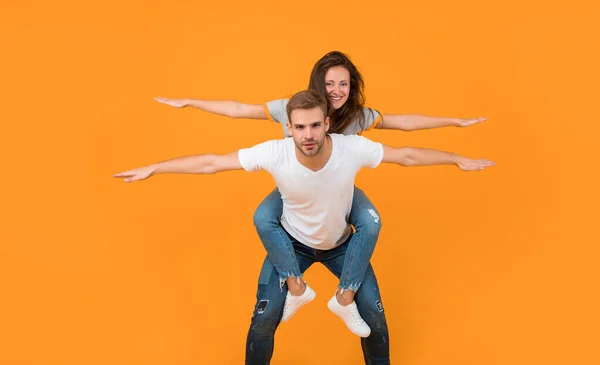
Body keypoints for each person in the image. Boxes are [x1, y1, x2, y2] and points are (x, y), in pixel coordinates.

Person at [115, 90, 495, 364]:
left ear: (328, 123)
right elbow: (211, 163)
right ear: (289, 128)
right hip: (291, 246)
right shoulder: (274, 152)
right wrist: (157, 167)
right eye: (299, 127)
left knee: (375, 320)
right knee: (264, 319)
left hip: (343, 246)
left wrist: (457, 159)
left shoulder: (351, 148)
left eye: (315, 125)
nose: (308, 135)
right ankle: (296, 288)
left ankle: (344, 298)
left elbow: (407, 155)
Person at [153, 51, 487, 329]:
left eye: (343, 84)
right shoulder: (296, 106)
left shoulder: (357, 117)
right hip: (296, 187)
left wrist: (453, 124)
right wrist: (190, 102)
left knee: (370, 222)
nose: (336, 91)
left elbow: (404, 126)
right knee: (262, 216)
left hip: (338, 188)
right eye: (329, 84)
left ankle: (346, 296)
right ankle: (295, 286)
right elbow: (240, 109)